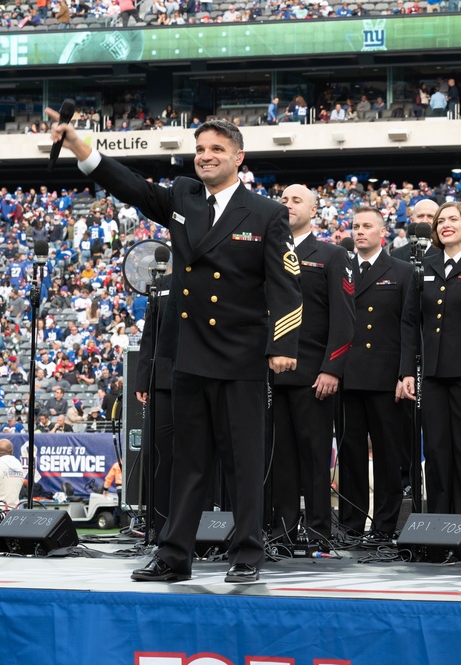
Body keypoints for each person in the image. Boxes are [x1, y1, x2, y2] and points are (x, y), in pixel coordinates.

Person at [49, 116, 302, 584]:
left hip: (242, 356)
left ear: (239, 158)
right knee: (187, 462)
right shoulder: (184, 196)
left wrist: (282, 344)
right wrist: (80, 148)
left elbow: (286, 284)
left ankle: (246, 552)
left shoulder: (266, 212)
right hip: (190, 353)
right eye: (200, 148)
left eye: (216, 149)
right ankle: (174, 555)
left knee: (244, 462)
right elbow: (133, 188)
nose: (205, 156)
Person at [398, 202, 461, 516]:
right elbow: (410, 322)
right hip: (432, 376)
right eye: (440, 220)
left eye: (453, 219)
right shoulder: (424, 266)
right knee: (436, 451)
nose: (445, 224)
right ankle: (439, 524)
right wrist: (407, 371)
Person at [268, 184, 355, 550]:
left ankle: (319, 533)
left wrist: (332, 369)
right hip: (271, 375)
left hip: (314, 375)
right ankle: (283, 533)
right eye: (284, 200)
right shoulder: (268, 252)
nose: (288, 205)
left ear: (314, 210)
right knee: (280, 460)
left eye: (297, 200)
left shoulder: (332, 255)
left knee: (315, 457)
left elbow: (344, 319)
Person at [338, 206, 414, 543]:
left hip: (385, 377)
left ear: (382, 232)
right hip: (347, 374)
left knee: (387, 456)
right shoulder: (340, 268)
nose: (359, 231)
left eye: (367, 226)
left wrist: (405, 372)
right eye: (355, 226)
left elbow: (408, 327)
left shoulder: (402, 271)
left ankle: (384, 526)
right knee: (350, 454)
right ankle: (351, 525)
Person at [133, 271, 177, 539]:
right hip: (164, 380)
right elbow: (149, 335)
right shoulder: (161, 284)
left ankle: (204, 527)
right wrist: (143, 379)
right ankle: (158, 526)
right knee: (156, 453)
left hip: (202, 376)